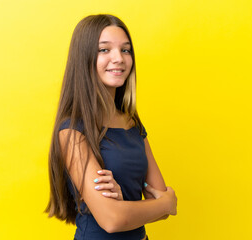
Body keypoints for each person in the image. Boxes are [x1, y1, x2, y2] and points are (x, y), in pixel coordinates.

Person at [45, 14, 177, 240]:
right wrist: (165, 204)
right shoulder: (72, 132)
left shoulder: (132, 123)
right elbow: (112, 220)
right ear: (84, 58)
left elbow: (160, 202)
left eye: (125, 50)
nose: (119, 58)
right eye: (104, 50)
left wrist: (127, 203)